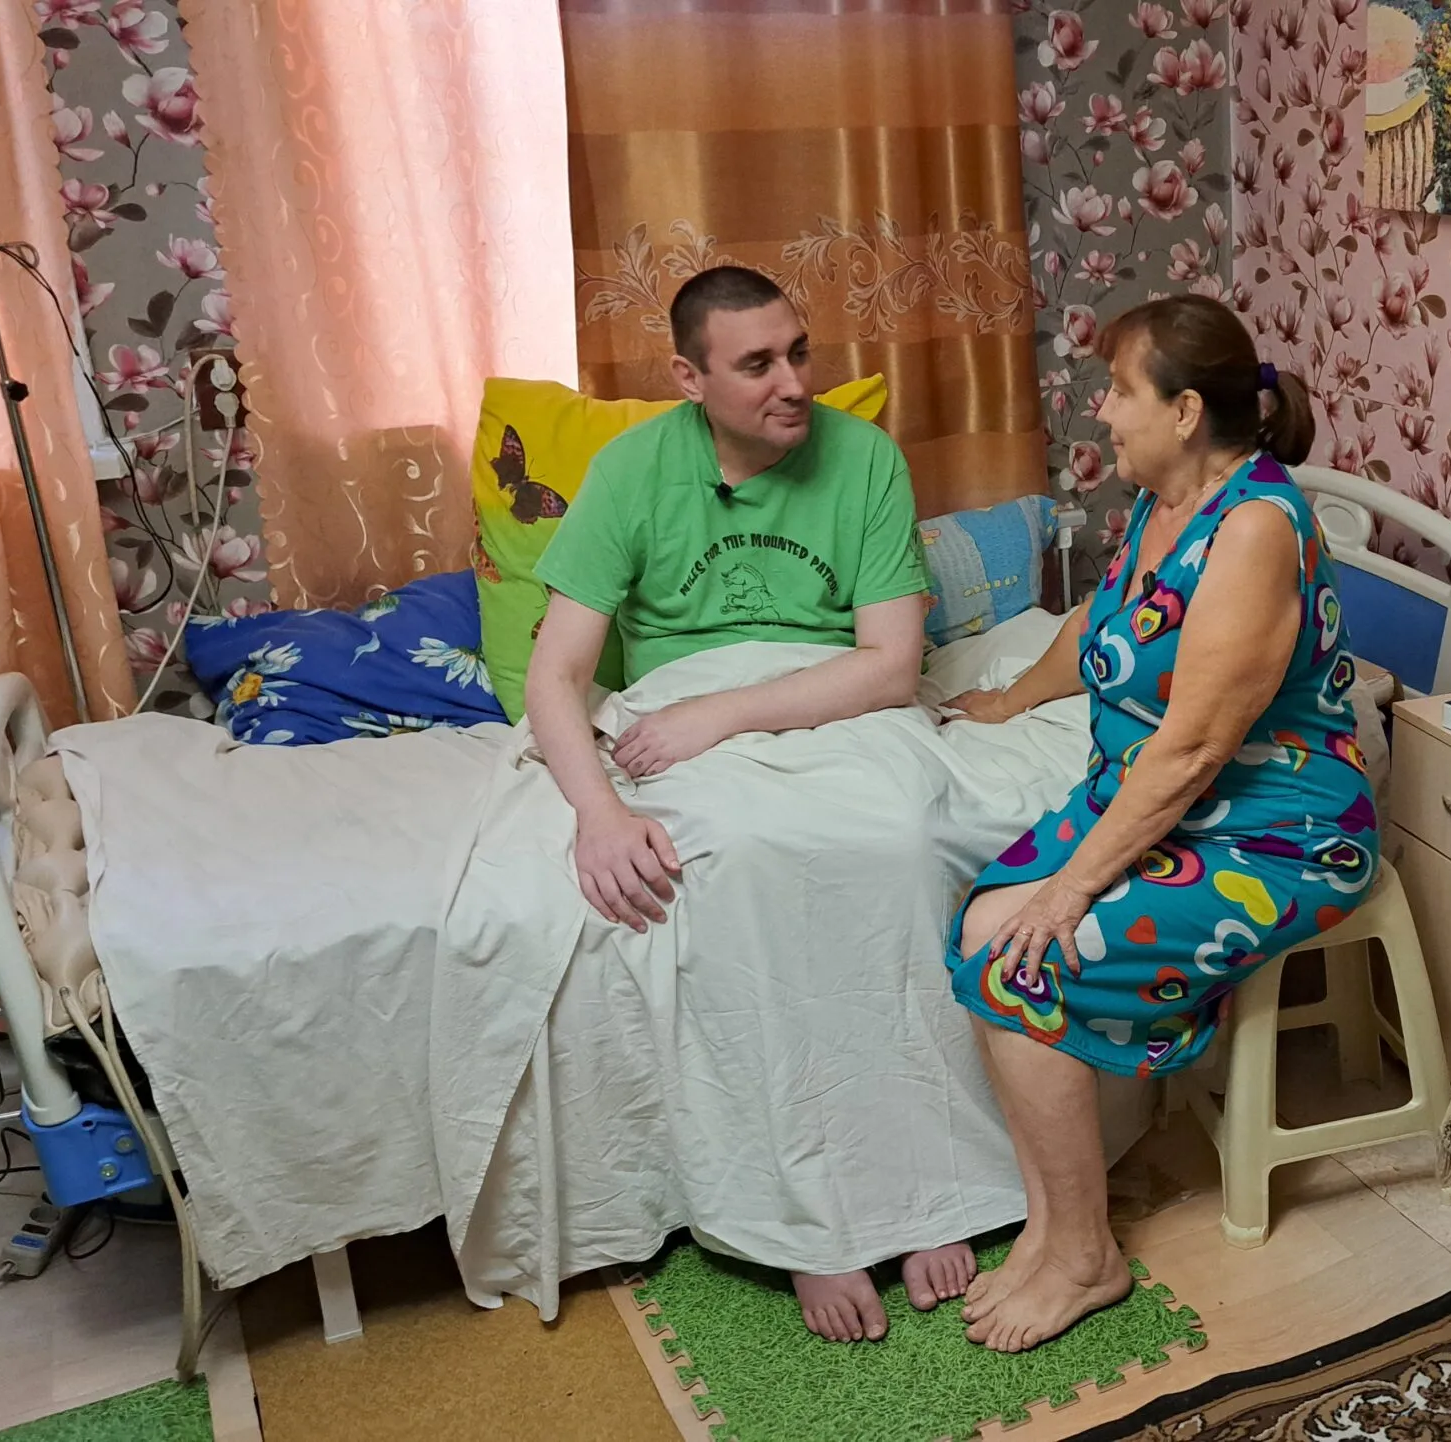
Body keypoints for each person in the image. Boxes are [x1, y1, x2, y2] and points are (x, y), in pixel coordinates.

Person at [523, 265, 975, 1342]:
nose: (793, 383)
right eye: (757, 363)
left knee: (907, 836)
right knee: (739, 855)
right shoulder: (632, 469)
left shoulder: (863, 456)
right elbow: (555, 675)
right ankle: (805, 1217)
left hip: (827, 694)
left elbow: (888, 664)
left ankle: (928, 1187)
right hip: (684, 699)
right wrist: (597, 810)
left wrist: (728, 715)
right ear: (688, 376)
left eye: (799, 353)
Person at [939, 296, 1377, 1352]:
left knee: (1022, 955)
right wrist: (1012, 697)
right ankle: (1053, 1223)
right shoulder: (1164, 500)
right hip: (1168, 793)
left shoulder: (1258, 529)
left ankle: (1086, 1256)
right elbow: (1104, 620)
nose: (1102, 411)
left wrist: (1072, 885)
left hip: (1276, 825)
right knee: (979, 920)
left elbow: (1189, 751)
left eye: (1120, 391)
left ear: (1185, 410)